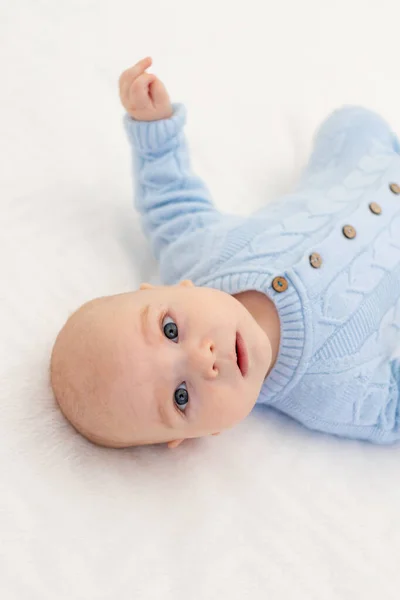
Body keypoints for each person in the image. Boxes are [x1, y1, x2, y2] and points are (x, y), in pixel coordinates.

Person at [50, 57, 400, 448]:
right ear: (199, 433)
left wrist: (154, 127)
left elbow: (170, 201)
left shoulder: (197, 253)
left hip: (354, 167)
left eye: (170, 330)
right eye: (181, 397)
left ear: (167, 289)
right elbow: (392, 411)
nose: (204, 361)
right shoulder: (336, 391)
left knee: (350, 123)